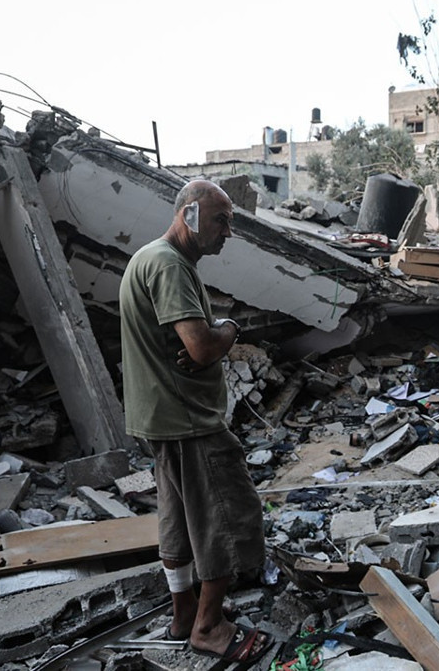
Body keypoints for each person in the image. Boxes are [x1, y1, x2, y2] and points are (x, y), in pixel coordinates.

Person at [118, 180, 273, 665]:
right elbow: (201, 346)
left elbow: (189, 343)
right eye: (222, 219)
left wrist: (208, 337)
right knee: (229, 519)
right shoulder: (169, 265)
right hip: (189, 420)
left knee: (180, 522)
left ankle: (185, 614)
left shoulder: (150, 257)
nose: (229, 231)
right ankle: (209, 627)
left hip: (162, 417)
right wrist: (228, 329)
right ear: (190, 214)